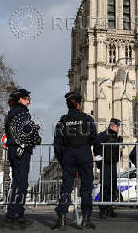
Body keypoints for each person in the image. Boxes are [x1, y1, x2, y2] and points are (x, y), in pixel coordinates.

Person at [53, 92, 97, 230]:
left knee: (66, 187)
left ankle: (62, 220)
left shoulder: (62, 121)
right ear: (79, 104)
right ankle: (86, 219)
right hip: (84, 152)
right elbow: (93, 136)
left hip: (69, 154)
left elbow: (57, 144)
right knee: (86, 187)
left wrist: (62, 159)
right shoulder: (87, 118)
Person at [2, 89, 41, 230]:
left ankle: (14, 215)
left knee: (17, 182)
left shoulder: (10, 114)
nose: (29, 100)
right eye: (26, 98)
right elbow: (26, 131)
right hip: (21, 150)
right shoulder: (22, 113)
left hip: (13, 149)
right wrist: (36, 134)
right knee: (21, 184)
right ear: (20, 99)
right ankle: (14, 216)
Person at [93, 118, 123, 219]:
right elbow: (96, 147)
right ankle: (102, 210)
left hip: (113, 164)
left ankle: (109, 208)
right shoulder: (102, 135)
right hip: (105, 164)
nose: (118, 128)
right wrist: (99, 162)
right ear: (112, 126)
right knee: (105, 187)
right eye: (117, 126)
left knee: (113, 186)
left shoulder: (116, 137)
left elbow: (119, 151)